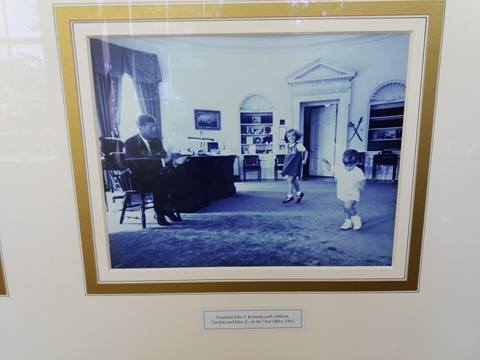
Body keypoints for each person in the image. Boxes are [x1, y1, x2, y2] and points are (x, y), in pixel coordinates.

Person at [125, 114, 186, 226]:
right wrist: (158, 171)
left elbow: (164, 159)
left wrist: (173, 156)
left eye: (155, 127)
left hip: (156, 176)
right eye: (151, 127)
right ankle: (161, 212)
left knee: (177, 177)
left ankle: (166, 209)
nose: (154, 129)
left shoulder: (156, 141)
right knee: (161, 181)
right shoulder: (130, 142)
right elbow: (136, 165)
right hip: (140, 178)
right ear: (140, 127)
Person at [322, 149, 366, 230]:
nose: (348, 167)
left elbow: (363, 180)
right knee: (345, 208)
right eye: (346, 165)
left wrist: (361, 185)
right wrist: (327, 163)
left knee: (348, 206)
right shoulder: (339, 167)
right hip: (342, 193)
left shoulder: (358, 171)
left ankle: (356, 219)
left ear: (356, 163)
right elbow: (330, 169)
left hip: (353, 193)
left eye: (350, 166)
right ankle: (348, 221)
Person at [281, 129, 308, 204]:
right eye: (289, 136)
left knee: (289, 180)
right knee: (293, 180)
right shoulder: (287, 145)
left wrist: (305, 160)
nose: (291, 137)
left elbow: (306, 152)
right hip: (289, 165)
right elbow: (288, 157)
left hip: (295, 166)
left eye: (293, 135)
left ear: (296, 136)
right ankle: (299, 193)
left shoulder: (298, 145)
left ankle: (290, 196)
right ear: (287, 138)